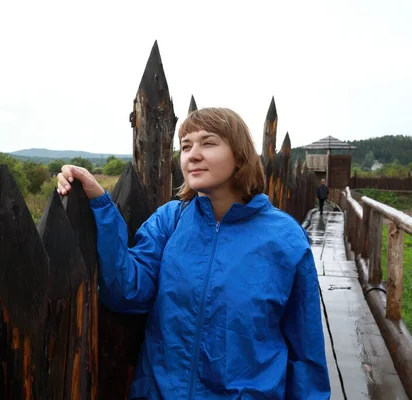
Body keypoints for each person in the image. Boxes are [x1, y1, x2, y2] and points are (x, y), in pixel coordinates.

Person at [57, 108, 330, 399]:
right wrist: (100, 203)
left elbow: (306, 349)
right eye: (186, 146)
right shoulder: (170, 221)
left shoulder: (285, 238)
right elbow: (127, 290)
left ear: (240, 157)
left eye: (208, 143)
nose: (193, 155)